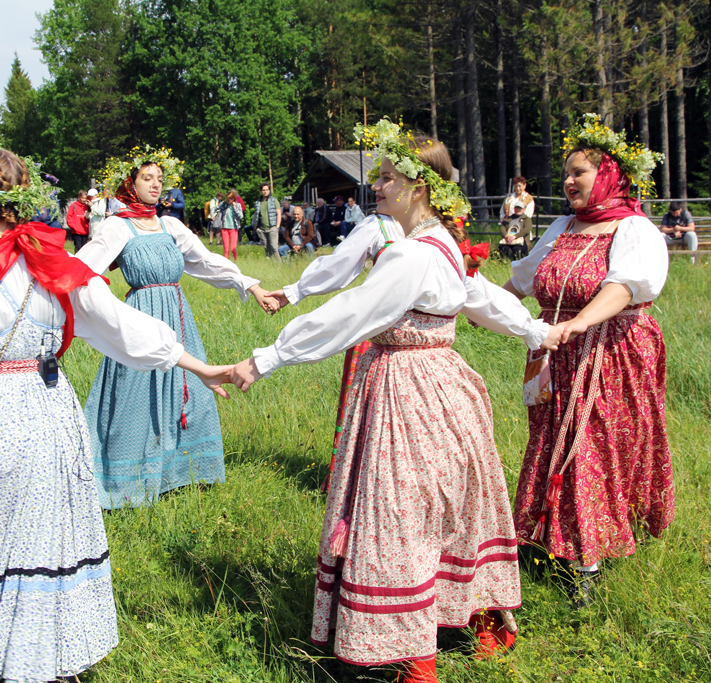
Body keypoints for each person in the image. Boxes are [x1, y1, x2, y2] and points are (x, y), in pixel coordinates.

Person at [0, 146, 233, 683]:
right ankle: (43, 656)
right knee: (45, 531)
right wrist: (198, 367)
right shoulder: (58, 270)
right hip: (48, 410)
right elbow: (121, 327)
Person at [234, 120, 556, 682]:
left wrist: (266, 359)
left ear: (419, 187)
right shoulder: (437, 246)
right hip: (446, 389)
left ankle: (414, 655)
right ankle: (473, 618)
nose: (376, 188)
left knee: (399, 514)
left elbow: (352, 313)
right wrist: (532, 328)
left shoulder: (413, 256)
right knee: (450, 505)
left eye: (385, 178)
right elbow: (479, 299)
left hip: (406, 393)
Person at [496, 113, 673, 606]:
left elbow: (623, 288)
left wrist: (578, 323)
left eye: (580, 173)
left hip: (612, 351)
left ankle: (589, 561)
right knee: (552, 440)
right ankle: (548, 536)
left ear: (610, 174)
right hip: (559, 351)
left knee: (593, 446)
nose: (569, 181)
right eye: (567, 173)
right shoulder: (562, 225)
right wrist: (477, 302)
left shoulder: (634, 229)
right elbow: (525, 279)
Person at [80, 148, 277, 509]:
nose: (156, 184)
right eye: (147, 178)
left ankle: (184, 474)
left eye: (159, 178)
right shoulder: (115, 226)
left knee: (191, 392)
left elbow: (205, 261)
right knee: (135, 396)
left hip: (177, 314)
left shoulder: (170, 224)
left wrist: (251, 285)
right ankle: (127, 483)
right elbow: (82, 270)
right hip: (140, 316)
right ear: (130, 183)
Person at [252, 182, 282, 259]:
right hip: (261, 229)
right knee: (266, 248)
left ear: (269, 190)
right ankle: (270, 263)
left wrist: (277, 226)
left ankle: (279, 264)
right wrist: (255, 226)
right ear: (261, 191)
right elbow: (256, 214)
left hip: (272, 227)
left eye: (267, 190)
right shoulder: (257, 202)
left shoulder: (274, 200)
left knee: (274, 247)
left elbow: (279, 213)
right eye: (263, 190)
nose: (265, 191)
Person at [220, 189, 244, 260]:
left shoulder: (238, 205)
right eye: (227, 199)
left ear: (233, 199)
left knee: (233, 248)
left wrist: (235, 208)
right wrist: (212, 213)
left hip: (233, 229)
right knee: (226, 249)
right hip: (224, 228)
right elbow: (216, 208)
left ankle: (235, 261)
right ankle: (226, 263)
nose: (228, 201)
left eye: (229, 199)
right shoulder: (224, 205)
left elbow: (241, 216)